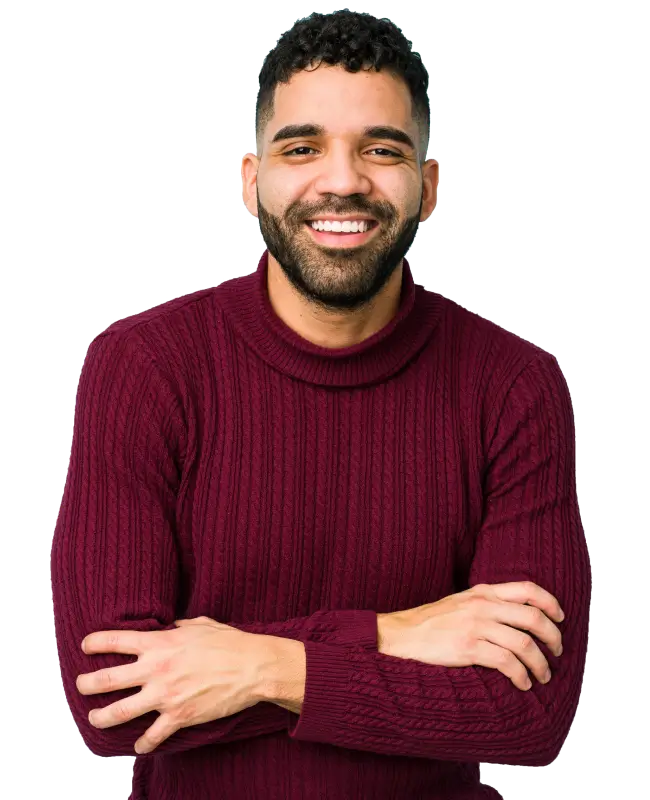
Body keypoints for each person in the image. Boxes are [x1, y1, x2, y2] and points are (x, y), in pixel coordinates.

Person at [50, 10, 591, 799]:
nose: (342, 182)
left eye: (382, 150)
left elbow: (527, 715)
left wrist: (262, 666)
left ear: (429, 188)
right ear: (252, 180)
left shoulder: (512, 387)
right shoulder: (144, 367)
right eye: (302, 148)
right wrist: (393, 634)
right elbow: (112, 704)